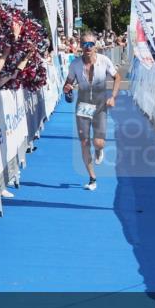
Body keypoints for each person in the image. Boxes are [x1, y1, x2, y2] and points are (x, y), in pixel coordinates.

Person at [63, 33, 121, 191]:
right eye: (84, 44)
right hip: (83, 106)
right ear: (81, 46)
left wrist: (113, 97)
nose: (87, 48)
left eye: (90, 44)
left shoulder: (104, 61)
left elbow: (117, 77)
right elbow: (67, 84)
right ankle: (92, 178)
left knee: (98, 142)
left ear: (95, 46)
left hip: (100, 105)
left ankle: (99, 150)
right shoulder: (75, 64)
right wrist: (67, 89)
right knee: (84, 142)